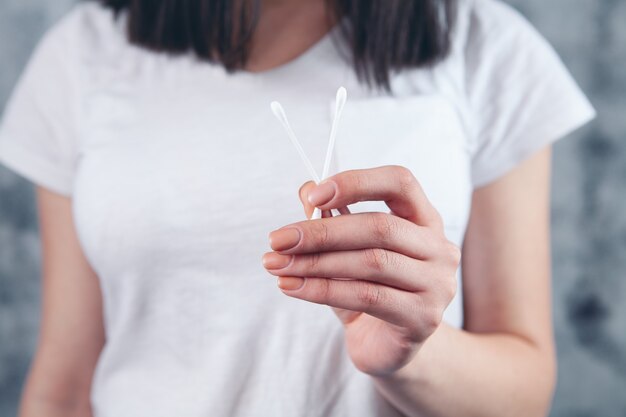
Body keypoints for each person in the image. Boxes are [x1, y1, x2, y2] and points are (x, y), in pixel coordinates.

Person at [0, 0, 595, 416]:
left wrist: (411, 353)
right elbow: (63, 388)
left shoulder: (486, 48)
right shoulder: (82, 57)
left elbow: (522, 397)